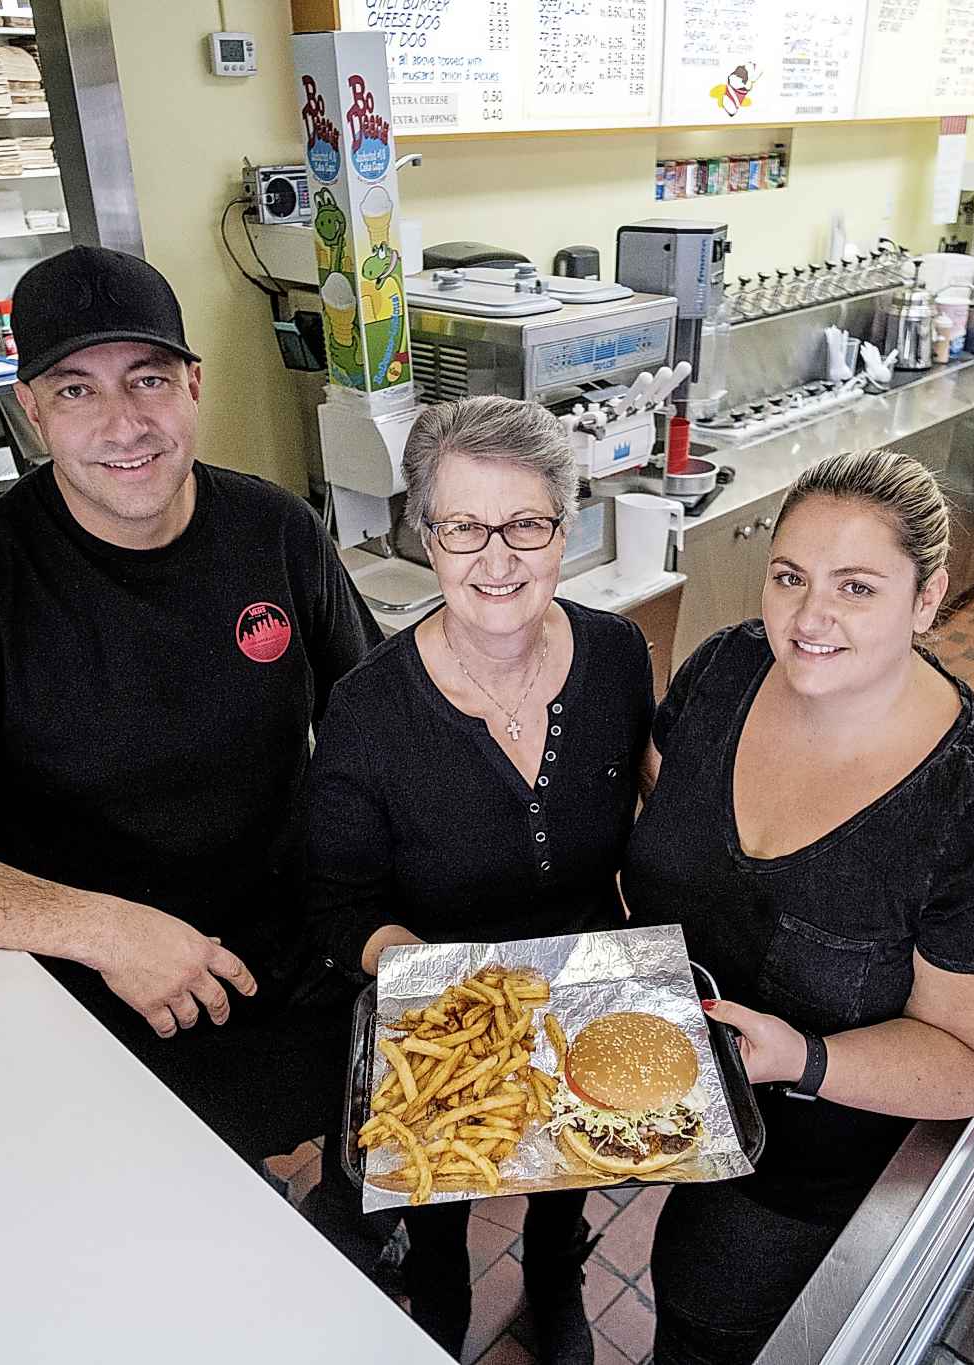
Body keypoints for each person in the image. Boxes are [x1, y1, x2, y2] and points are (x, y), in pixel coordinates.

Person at [0, 245, 379, 1176]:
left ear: (193, 384)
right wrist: (107, 930)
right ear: (30, 413)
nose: (124, 424)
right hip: (100, 990)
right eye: (76, 391)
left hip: (297, 951)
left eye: (148, 379)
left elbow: (376, 726)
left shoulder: (278, 531)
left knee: (378, 1148)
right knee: (179, 1226)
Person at [622, 448, 974, 1365]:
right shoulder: (724, 671)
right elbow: (667, 807)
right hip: (661, 1083)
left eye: (857, 587)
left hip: (807, 1167)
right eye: (789, 577)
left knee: (711, 1313)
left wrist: (803, 1056)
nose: (809, 617)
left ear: (927, 598)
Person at [305, 396, 655, 1363]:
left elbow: (651, 821)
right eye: (463, 527)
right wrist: (445, 988)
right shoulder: (369, 710)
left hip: (579, 984)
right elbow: (337, 906)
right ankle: (442, 1304)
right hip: (443, 1016)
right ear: (426, 536)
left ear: (566, 527)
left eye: (525, 524)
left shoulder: (620, 658)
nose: (495, 559)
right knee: (445, 1202)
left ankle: (555, 1280)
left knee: (564, 1174)